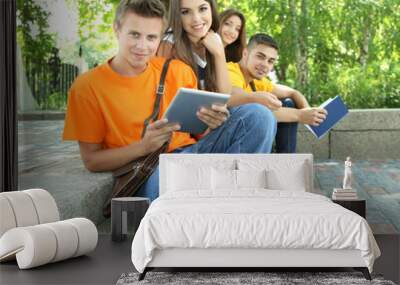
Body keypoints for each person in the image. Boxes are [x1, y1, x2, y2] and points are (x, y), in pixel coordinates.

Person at [63, 0, 277, 201]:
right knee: (176, 183)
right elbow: (92, 161)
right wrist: (143, 146)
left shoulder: (179, 69)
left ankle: (233, 200)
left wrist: (211, 122)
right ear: (117, 30)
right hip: (150, 168)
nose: (143, 46)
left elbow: (197, 131)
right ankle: (219, 202)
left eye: (151, 38)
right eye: (134, 35)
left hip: (188, 154)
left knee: (260, 116)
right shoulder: (87, 87)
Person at [227, 33, 327, 153]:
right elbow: (239, 102)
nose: (265, 65)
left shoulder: (256, 81)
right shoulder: (231, 71)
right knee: (261, 112)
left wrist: (307, 110)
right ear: (245, 53)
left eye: (270, 61)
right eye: (260, 56)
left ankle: (287, 160)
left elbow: (293, 92)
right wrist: (300, 115)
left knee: (288, 102)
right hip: (225, 140)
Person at [157, 0, 230, 94]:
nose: (196, 19)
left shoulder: (215, 38)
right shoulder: (169, 44)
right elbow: (163, 94)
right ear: (177, 15)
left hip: (210, 106)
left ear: (212, 9)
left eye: (202, 9)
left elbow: (225, 93)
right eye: (185, 12)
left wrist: (218, 54)